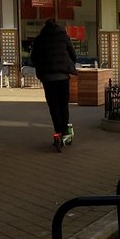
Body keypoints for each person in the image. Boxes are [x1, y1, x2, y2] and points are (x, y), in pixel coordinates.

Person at [29, 18, 77, 151]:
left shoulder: (40, 38)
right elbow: (73, 54)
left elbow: (33, 58)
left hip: (48, 78)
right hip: (62, 76)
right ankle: (64, 131)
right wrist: (68, 65)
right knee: (63, 104)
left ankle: (58, 133)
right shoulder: (63, 36)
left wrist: (42, 67)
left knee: (53, 106)